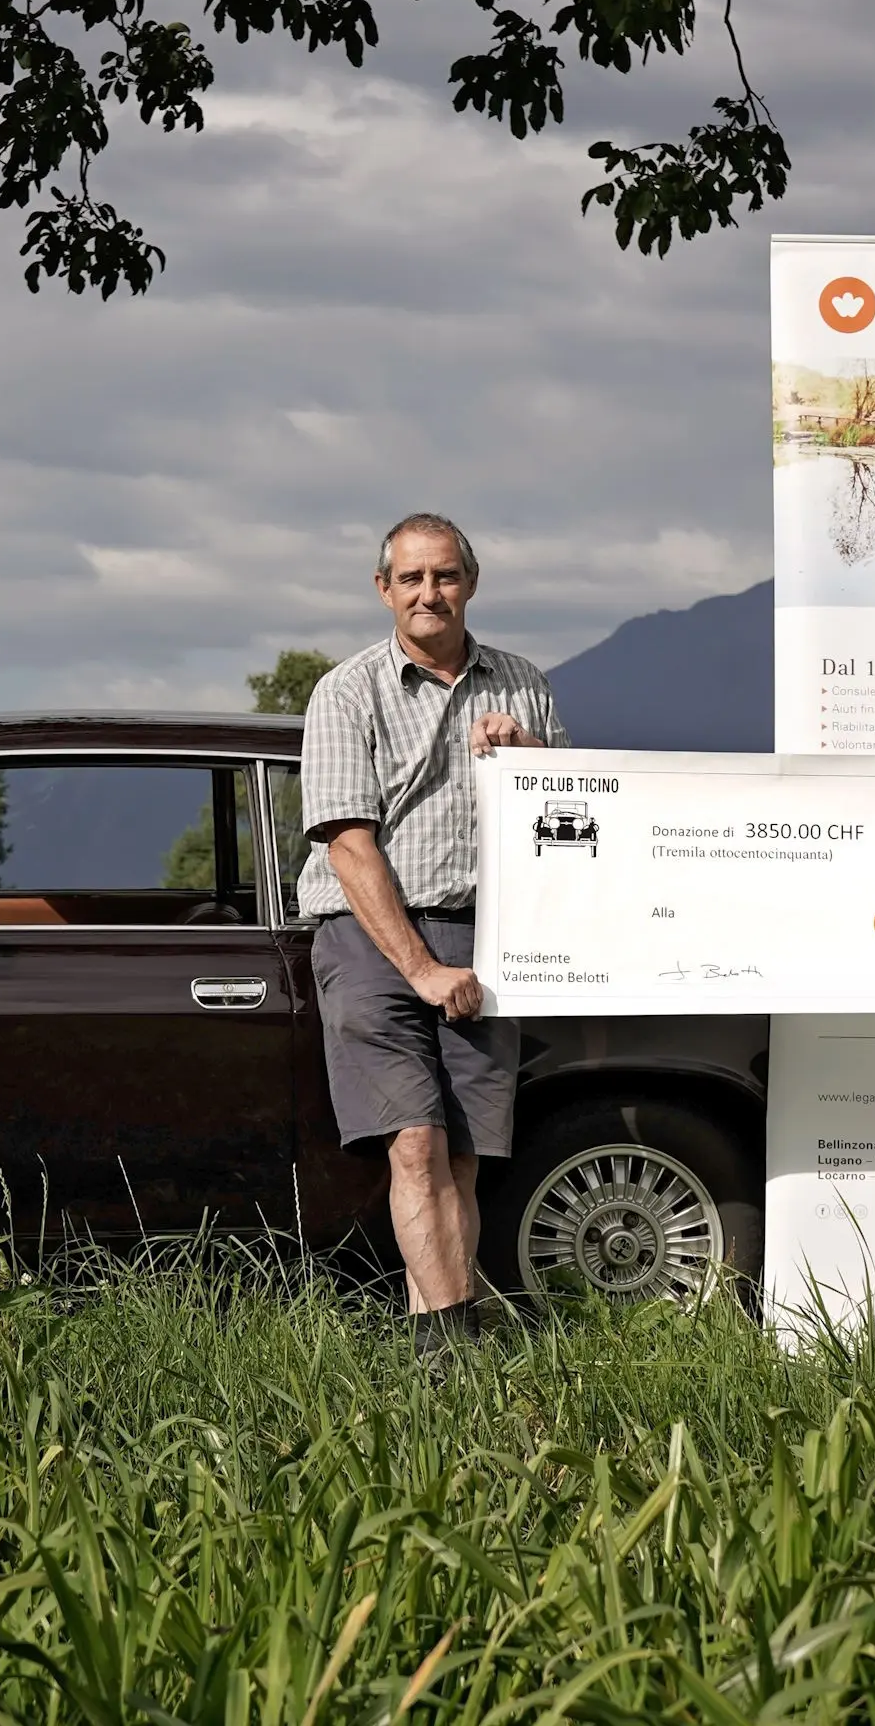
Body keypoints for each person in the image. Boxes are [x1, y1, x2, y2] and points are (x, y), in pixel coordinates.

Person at [297, 513, 566, 1364]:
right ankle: (457, 1351)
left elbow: (572, 825)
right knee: (413, 1141)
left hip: (488, 934)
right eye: (410, 579)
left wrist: (527, 762)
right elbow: (347, 843)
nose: (428, 593)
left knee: (460, 1159)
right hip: (372, 934)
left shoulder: (523, 685)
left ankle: (438, 1361)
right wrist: (418, 968)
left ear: (470, 584)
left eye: (444, 576)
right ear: (384, 590)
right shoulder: (347, 692)